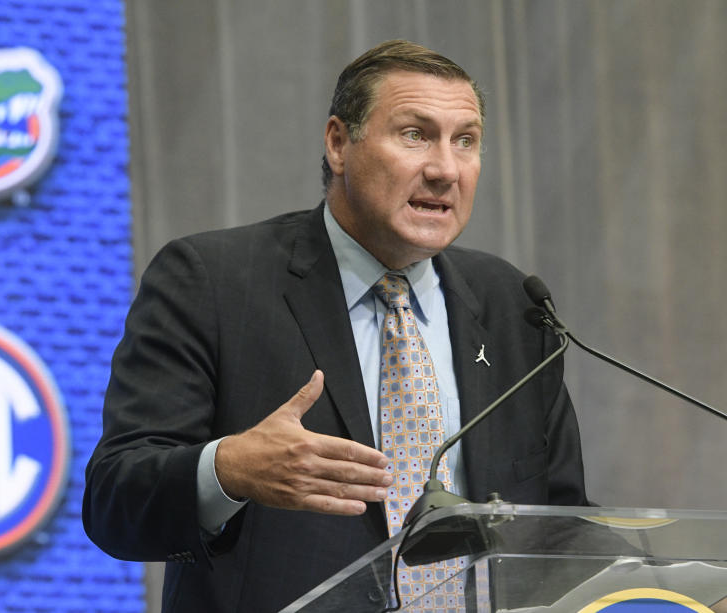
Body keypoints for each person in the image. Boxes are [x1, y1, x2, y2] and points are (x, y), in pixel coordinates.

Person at [83, 39, 588, 612]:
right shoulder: (212, 282)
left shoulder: (512, 305)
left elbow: (566, 527)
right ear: (339, 142)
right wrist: (227, 469)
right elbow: (114, 501)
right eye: (415, 134)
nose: (445, 169)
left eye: (465, 141)